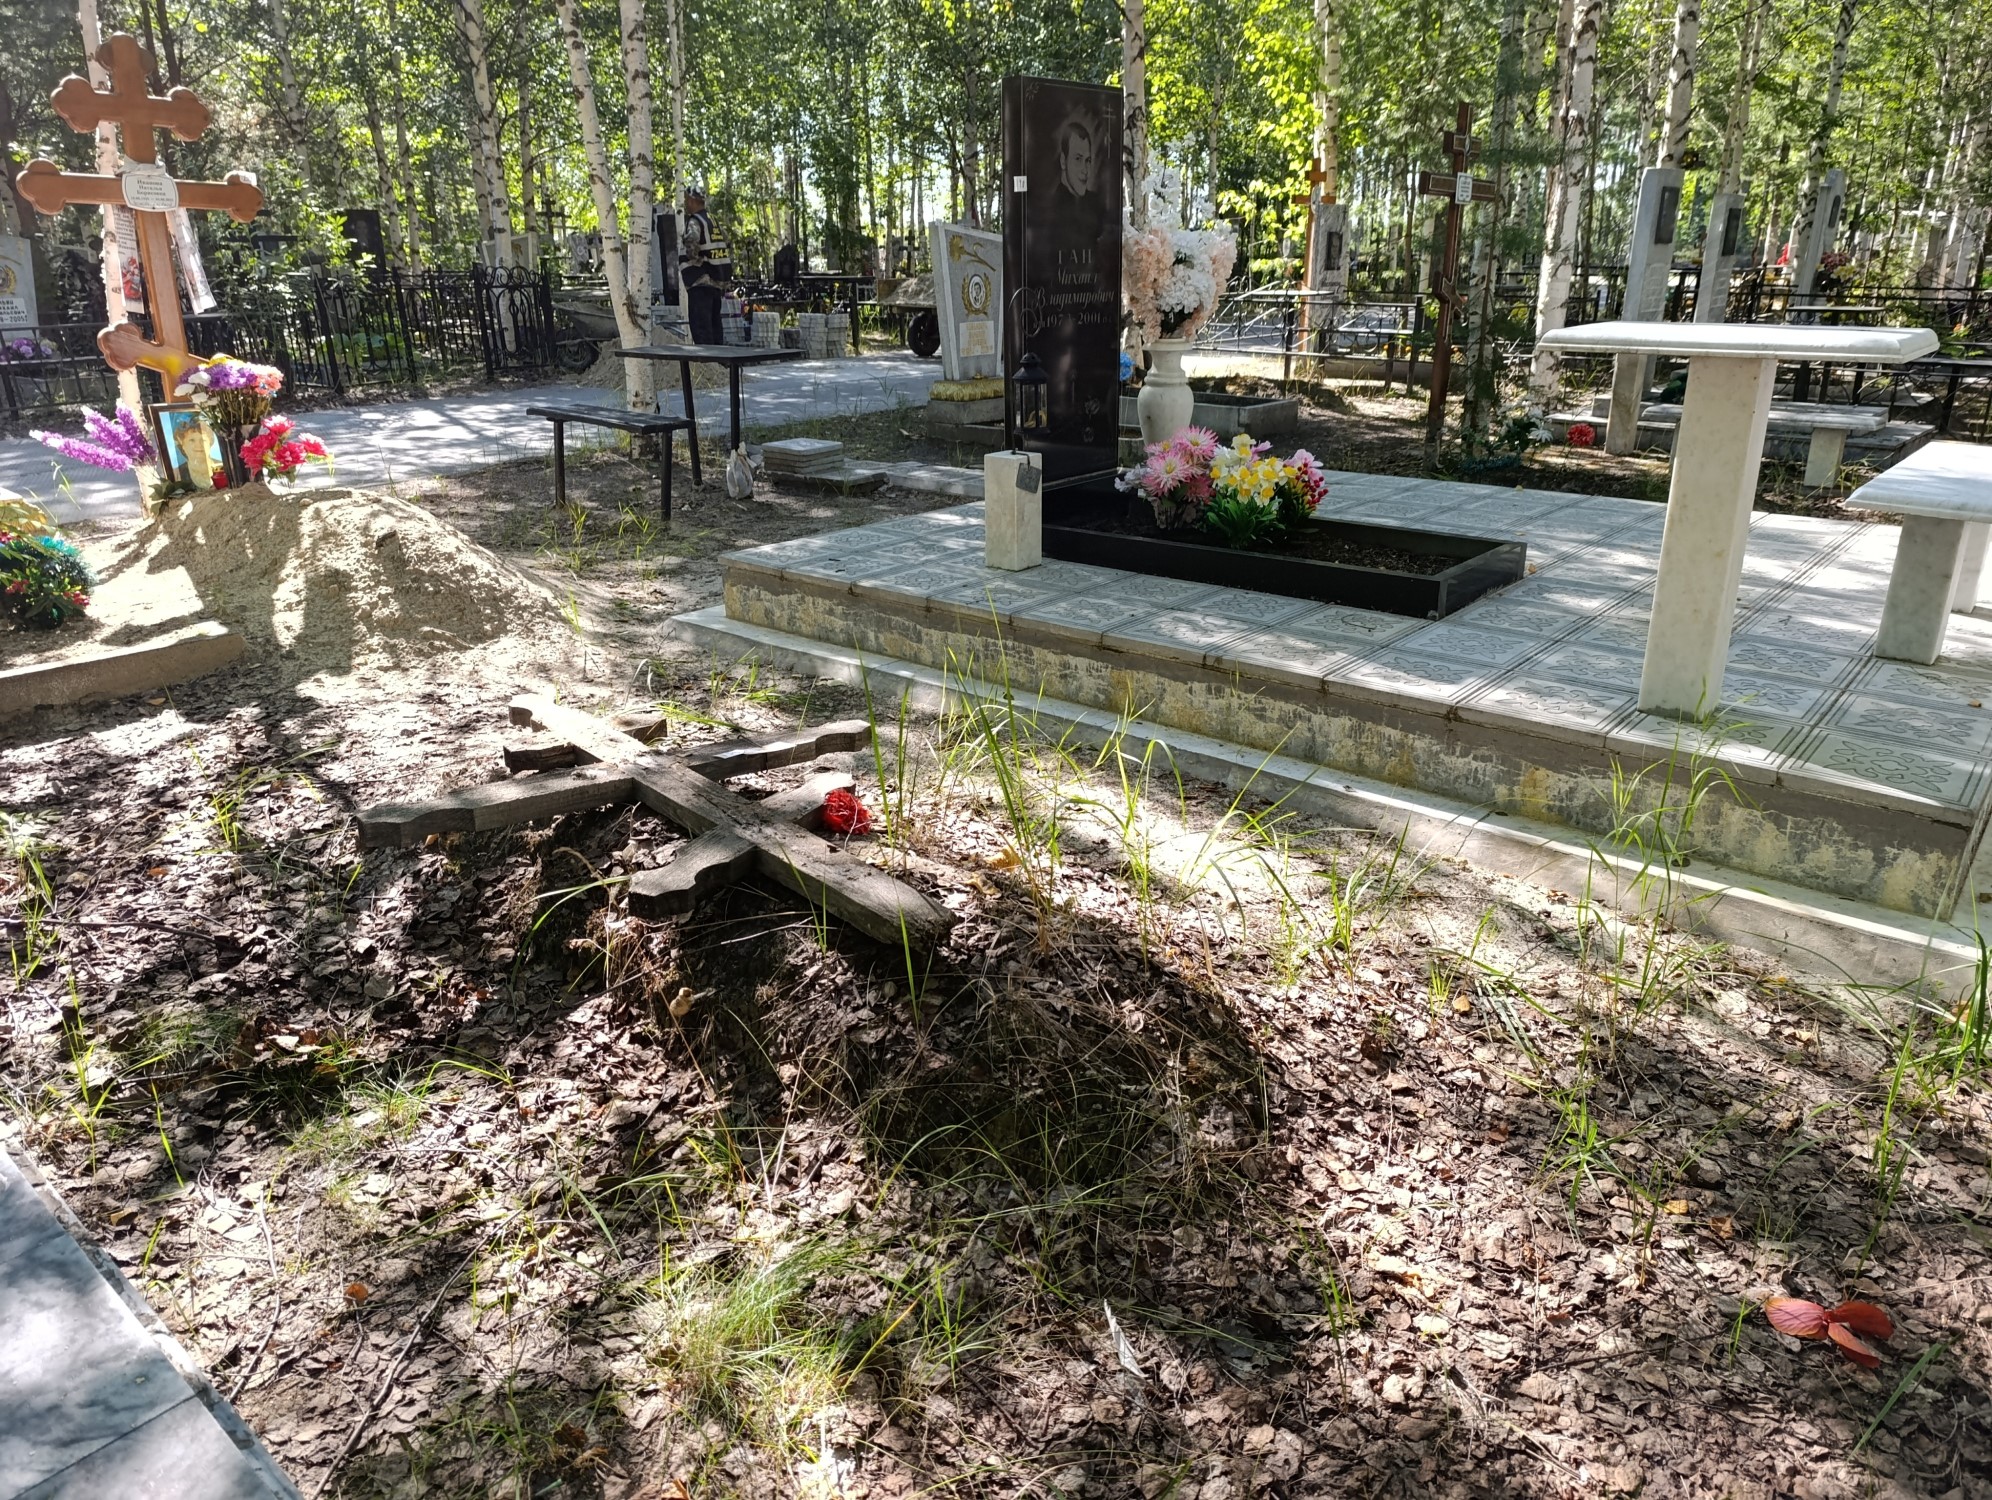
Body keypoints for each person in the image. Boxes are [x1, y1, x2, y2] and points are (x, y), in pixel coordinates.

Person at [681, 188, 728, 344]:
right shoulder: (713, 221)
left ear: (692, 200)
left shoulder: (695, 221)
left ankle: (708, 358)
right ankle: (719, 358)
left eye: (687, 199)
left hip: (700, 282)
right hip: (716, 281)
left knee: (701, 331)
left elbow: (692, 244)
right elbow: (726, 241)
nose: (685, 203)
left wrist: (692, 259)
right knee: (715, 328)